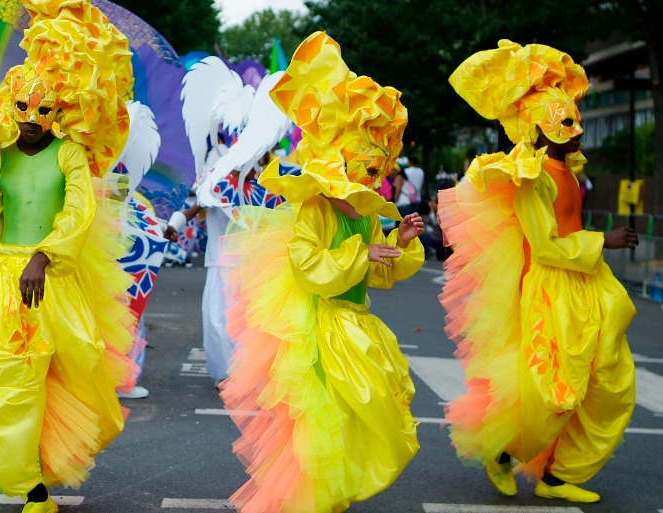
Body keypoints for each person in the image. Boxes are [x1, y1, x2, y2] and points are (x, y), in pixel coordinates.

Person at [219, 31, 425, 513]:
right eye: (362, 169)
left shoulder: (369, 212)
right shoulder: (315, 209)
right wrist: (362, 256)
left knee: (363, 419)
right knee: (318, 426)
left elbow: (381, 273)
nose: (370, 180)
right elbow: (306, 264)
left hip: (357, 330)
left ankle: (331, 500)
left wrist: (401, 244)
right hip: (318, 331)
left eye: (377, 172)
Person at [0, 2, 137, 512]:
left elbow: (77, 211)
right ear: (10, 107)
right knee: (8, 380)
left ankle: (49, 462)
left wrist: (44, 257)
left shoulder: (69, 153)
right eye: (23, 110)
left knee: (75, 369)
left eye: (44, 111)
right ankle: (31, 486)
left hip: (53, 277)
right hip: (8, 284)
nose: (32, 121)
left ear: (61, 109)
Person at [439, 40, 638, 504]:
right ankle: (503, 451)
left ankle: (556, 473)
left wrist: (595, 249)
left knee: (608, 378)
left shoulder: (565, 170)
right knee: (554, 391)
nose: (579, 130)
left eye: (577, 120)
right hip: (552, 290)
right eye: (567, 122)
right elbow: (546, 245)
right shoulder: (534, 177)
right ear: (539, 128)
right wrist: (602, 241)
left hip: (588, 284)